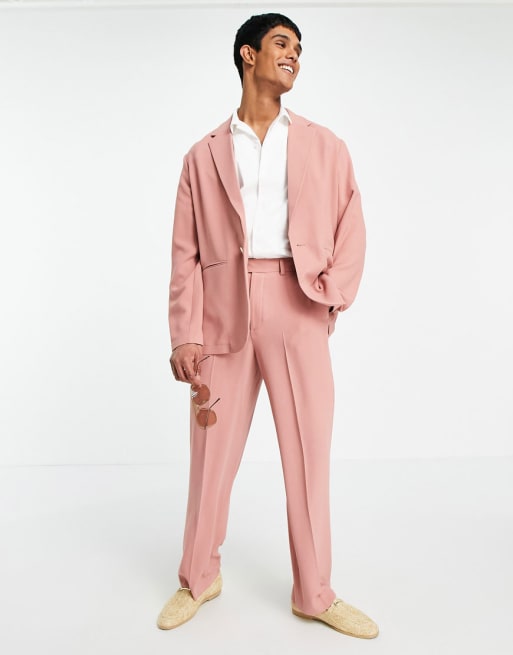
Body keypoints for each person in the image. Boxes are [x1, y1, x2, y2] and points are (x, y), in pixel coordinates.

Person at [157, 13, 379, 639]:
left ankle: (315, 592)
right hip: (221, 309)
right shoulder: (201, 155)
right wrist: (184, 332)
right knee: (211, 454)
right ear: (247, 55)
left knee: (307, 455)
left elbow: (352, 221)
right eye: (282, 44)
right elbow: (184, 252)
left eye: (300, 50)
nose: (294, 56)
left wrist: (330, 296)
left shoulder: (325, 145)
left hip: (297, 301)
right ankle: (198, 577)